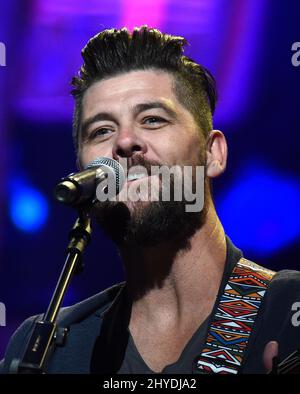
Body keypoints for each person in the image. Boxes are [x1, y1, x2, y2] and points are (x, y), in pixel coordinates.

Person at [1, 26, 300, 374]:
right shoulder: (46, 351)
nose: (125, 141)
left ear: (212, 154)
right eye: (101, 131)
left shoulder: (289, 313)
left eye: (153, 119)